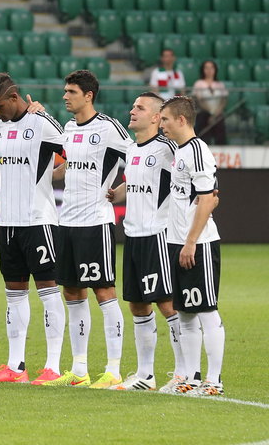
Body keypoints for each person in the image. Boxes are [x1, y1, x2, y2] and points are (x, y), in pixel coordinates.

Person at [0, 73, 67, 386]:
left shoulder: (41, 123)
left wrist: (53, 174)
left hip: (39, 222)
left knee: (48, 293)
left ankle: (53, 367)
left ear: (14, 97)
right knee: (14, 296)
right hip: (9, 225)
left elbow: (77, 154)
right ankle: (16, 367)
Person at [45, 70, 131, 388]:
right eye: (65, 91)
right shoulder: (69, 128)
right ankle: (79, 370)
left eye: (71, 91)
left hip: (96, 222)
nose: (65, 96)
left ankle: (113, 370)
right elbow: (71, 165)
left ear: (88, 95)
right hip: (67, 222)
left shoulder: (108, 128)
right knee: (72, 292)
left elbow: (137, 157)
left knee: (104, 291)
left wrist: (120, 190)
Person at [106, 92, 185, 392]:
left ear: (156, 117)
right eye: (133, 106)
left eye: (140, 107)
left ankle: (182, 373)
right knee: (138, 305)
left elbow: (185, 179)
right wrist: (118, 193)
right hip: (133, 236)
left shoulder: (167, 149)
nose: (132, 110)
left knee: (167, 303)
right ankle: (145, 375)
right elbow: (138, 182)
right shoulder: (130, 148)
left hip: (158, 236)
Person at [159, 96, 225, 396]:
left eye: (166, 120)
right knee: (184, 313)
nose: (162, 126)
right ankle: (189, 378)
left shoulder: (197, 150)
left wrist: (190, 242)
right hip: (178, 243)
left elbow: (208, 199)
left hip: (198, 244)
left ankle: (213, 381)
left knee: (206, 311)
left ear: (182, 120)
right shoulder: (180, 152)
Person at [192, 60, 227, 146]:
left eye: (211, 68)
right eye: (206, 68)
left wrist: (215, 114)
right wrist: (210, 113)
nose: (209, 70)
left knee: (220, 125)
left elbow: (223, 100)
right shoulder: (199, 84)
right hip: (203, 113)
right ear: (203, 70)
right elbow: (199, 101)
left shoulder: (220, 84)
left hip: (217, 114)